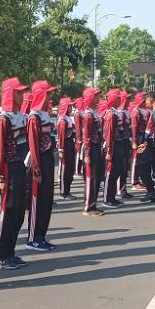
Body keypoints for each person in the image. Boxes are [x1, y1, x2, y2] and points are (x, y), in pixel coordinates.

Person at [0, 77, 31, 270]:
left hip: (20, 167)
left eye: (23, 92)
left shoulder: (21, 116)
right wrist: (0, 176)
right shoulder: (3, 120)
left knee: (18, 213)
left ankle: (10, 251)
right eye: (18, 92)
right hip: (8, 169)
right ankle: (0, 254)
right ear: (9, 94)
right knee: (8, 212)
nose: (22, 95)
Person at [26, 80, 58, 251]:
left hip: (48, 158)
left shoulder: (45, 115)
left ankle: (41, 236)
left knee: (47, 199)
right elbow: (33, 143)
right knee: (37, 200)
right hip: (39, 159)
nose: (50, 97)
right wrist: (36, 168)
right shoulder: (34, 117)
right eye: (48, 94)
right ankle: (33, 238)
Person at [79, 87, 104, 216]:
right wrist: (87, 153)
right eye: (95, 96)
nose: (98, 98)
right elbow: (86, 135)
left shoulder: (93, 112)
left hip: (96, 146)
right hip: (90, 148)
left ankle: (93, 204)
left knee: (96, 177)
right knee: (90, 178)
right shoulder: (88, 115)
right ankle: (88, 207)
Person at [56, 97, 76, 200]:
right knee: (65, 169)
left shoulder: (68, 118)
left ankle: (68, 191)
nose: (71, 108)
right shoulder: (62, 120)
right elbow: (61, 136)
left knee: (70, 169)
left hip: (70, 144)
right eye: (70, 106)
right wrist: (61, 149)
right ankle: (63, 192)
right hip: (65, 145)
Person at [130, 91, 150, 191]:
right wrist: (134, 141)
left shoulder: (145, 110)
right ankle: (134, 182)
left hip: (144, 137)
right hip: (138, 137)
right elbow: (134, 127)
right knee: (136, 159)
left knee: (142, 159)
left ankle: (140, 179)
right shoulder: (136, 111)